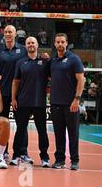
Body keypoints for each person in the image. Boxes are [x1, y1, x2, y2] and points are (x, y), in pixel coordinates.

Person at [11, 37, 51, 167]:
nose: (31, 45)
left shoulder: (45, 61)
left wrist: (49, 59)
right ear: (26, 46)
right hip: (23, 102)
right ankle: (16, 155)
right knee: (20, 130)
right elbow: (15, 82)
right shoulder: (20, 62)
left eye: (33, 42)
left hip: (39, 102)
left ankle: (44, 157)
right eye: (28, 43)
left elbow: (52, 76)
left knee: (42, 131)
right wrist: (13, 98)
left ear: (37, 45)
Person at [0, 25, 27, 158]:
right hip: (2, 92)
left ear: (15, 33)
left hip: (20, 94)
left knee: (21, 124)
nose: (8, 34)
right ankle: (1, 151)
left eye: (10, 32)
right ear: (3, 34)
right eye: (5, 32)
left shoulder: (23, 50)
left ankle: (22, 152)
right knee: (1, 123)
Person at [50, 33, 85, 170]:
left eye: (62, 42)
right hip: (55, 103)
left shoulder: (74, 59)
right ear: (54, 43)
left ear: (66, 43)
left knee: (73, 133)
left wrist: (76, 99)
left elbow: (81, 80)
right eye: (57, 42)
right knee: (58, 134)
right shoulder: (53, 60)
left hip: (71, 104)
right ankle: (60, 160)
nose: (60, 44)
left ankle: (75, 161)